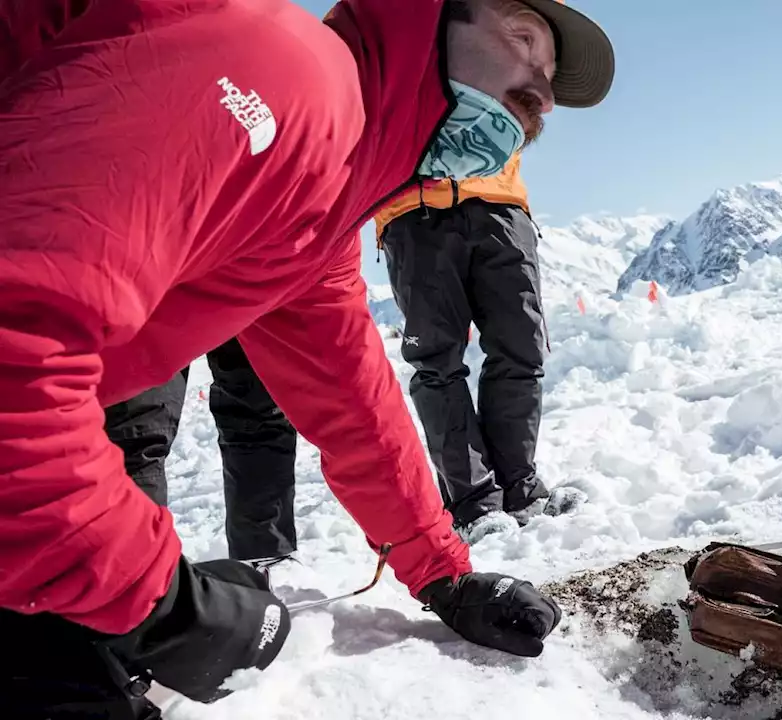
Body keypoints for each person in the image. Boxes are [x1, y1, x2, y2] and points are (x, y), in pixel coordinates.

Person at [0, 0, 614, 717]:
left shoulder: (327, 190)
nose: (540, 92)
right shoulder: (283, 76)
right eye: (522, 40)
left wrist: (442, 574)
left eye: (548, 81)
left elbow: (355, 404)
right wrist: (157, 599)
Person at [375, 152, 555, 537]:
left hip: (501, 202)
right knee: (437, 362)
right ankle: (475, 504)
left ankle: (519, 488)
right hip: (413, 208)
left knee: (522, 350)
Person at [104, 337, 300, 562]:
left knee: (259, 415)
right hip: (152, 310)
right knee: (135, 438)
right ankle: (135, 577)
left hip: (241, 307)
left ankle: (265, 559)